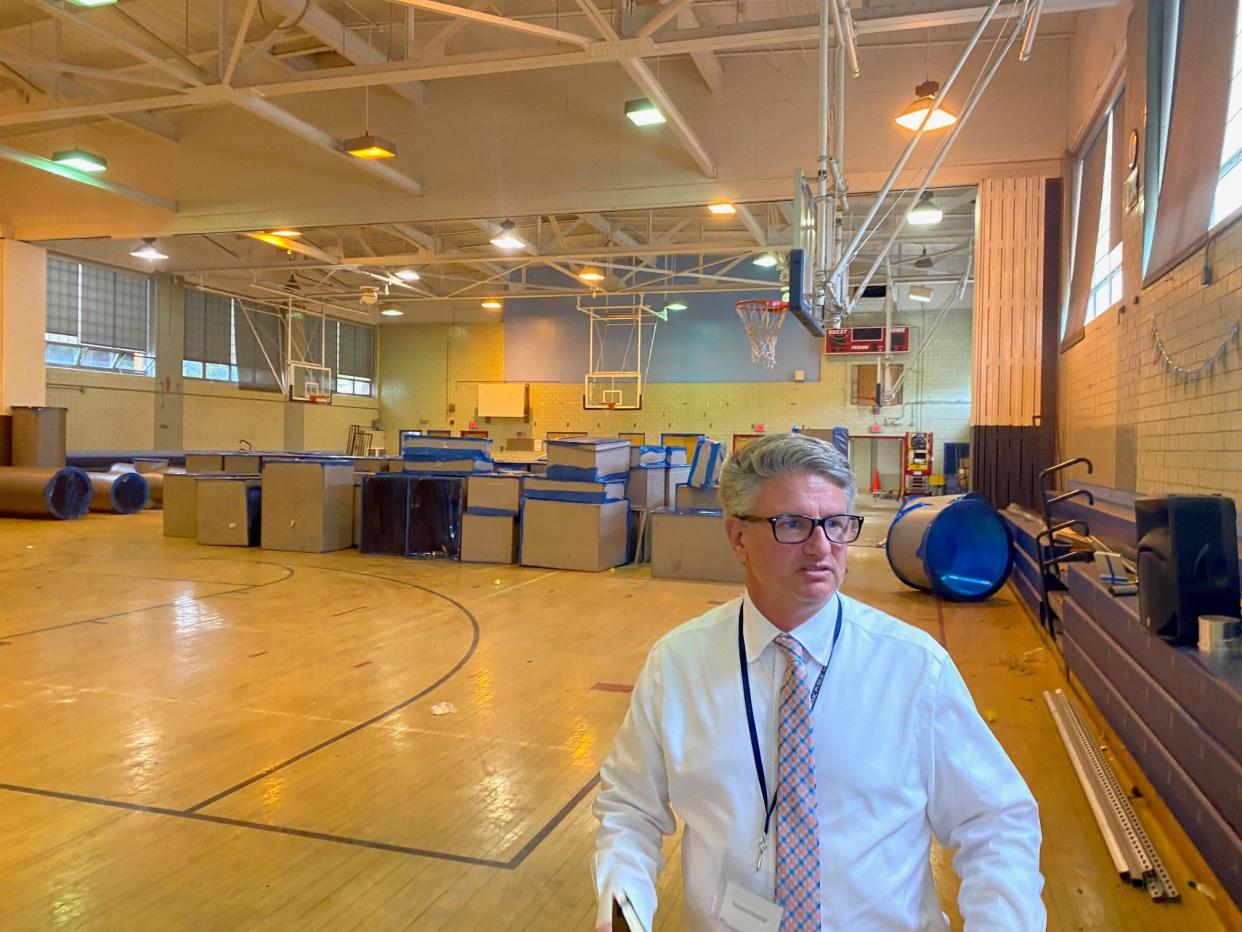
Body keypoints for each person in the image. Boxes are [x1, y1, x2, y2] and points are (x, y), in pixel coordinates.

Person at [592, 433, 1044, 931]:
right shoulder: (678, 665)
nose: (820, 546)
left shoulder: (913, 669)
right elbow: (630, 811)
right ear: (738, 537)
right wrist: (625, 908)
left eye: (834, 524)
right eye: (792, 524)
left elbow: (995, 822)